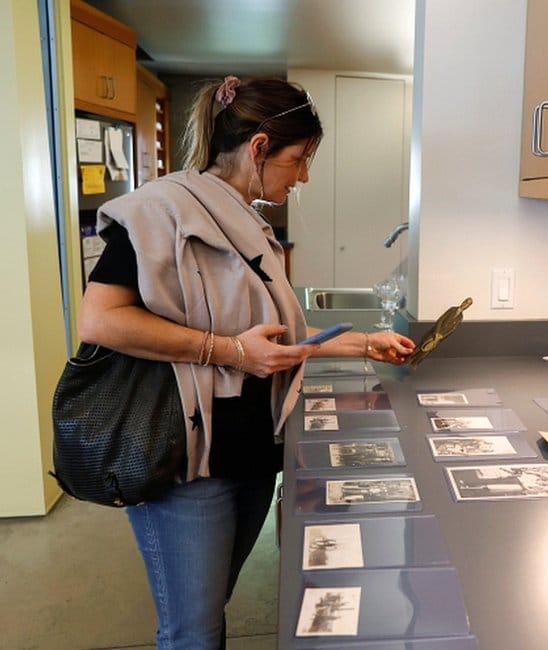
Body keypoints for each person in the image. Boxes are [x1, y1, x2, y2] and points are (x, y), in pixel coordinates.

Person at [77, 75, 415, 649]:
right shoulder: (158, 212)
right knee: (194, 631)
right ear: (258, 147)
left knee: (213, 607)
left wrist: (360, 342)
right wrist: (230, 352)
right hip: (186, 460)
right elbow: (100, 321)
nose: (304, 175)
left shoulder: (249, 222)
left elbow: (269, 342)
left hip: (253, 450)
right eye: (298, 159)